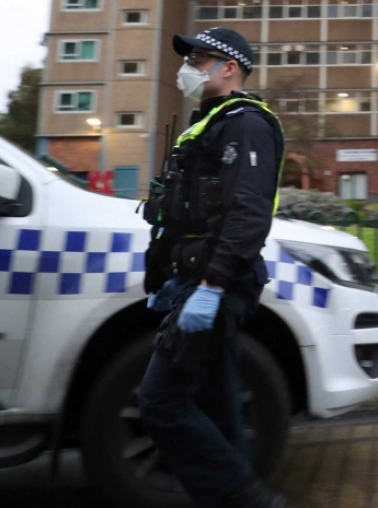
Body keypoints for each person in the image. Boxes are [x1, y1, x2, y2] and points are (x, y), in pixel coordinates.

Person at [138, 27, 288, 508]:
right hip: (193, 280)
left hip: (216, 284)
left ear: (230, 68)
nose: (188, 68)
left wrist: (210, 285)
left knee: (160, 401)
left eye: (200, 59)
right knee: (218, 409)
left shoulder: (245, 125)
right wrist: (165, 280)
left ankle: (247, 500)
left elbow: (247, 213)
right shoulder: (209, 123)